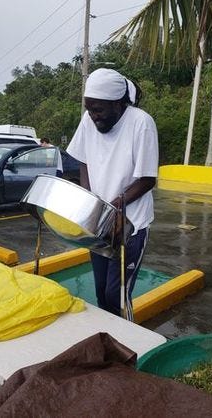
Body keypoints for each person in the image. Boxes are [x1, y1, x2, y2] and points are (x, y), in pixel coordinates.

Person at [67, 68, 158, 320]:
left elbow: (148, 178)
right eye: (89, 109)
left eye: (98, 110)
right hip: (99, 223)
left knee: (116, 295)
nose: (93, 116)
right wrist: (90, 201)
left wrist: (115, 207)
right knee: (100, 293)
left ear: (118, 104)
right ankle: (108, 344)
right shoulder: (88, 120)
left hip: (130, 223)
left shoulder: (141, 123)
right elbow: (83, 160)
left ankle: (126, 348)